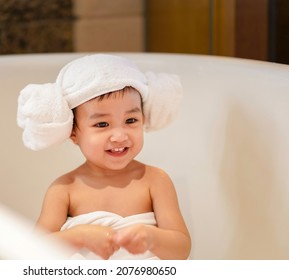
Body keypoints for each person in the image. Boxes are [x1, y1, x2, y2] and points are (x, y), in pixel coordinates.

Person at [17, 54, 191, 259]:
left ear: (143, 119)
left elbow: (181, 249)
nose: (119, 136)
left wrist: (152, 238)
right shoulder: (64, 190)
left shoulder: (155, 180)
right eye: (102, 124)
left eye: (131, 120)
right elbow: (35, 252)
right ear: (73, 133)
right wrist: (79, 236)